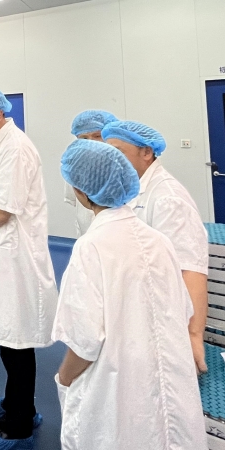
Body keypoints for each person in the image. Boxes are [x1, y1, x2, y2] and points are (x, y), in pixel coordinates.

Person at [53, 139, 207, 450]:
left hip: (118, 397)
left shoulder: (91, 247)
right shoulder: (158, 240)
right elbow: (181, 309)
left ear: (80, 191)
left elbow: (84, 342)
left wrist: (64, 379)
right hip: (170, 385)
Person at [0, 84, 58, 450]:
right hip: (2, 253)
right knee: (8, 337)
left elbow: (3, 211)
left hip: (16, 258)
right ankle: (15, 404)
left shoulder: (15, 148)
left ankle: (17, 424)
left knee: (17, 341)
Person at [102, 120, 209, 374]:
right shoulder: (134, 188)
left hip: (165, 316)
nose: (112, 160)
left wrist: (193, 335)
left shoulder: (167, 198)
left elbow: (191, 269)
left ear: (146, 152)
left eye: (118, 152)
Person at [63, 110, 118, 236]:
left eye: (97, 136)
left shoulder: (124, 167)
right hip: (87, 235)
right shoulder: (73, 165)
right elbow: (75, 199)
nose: (91, 142)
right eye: (84, 138)